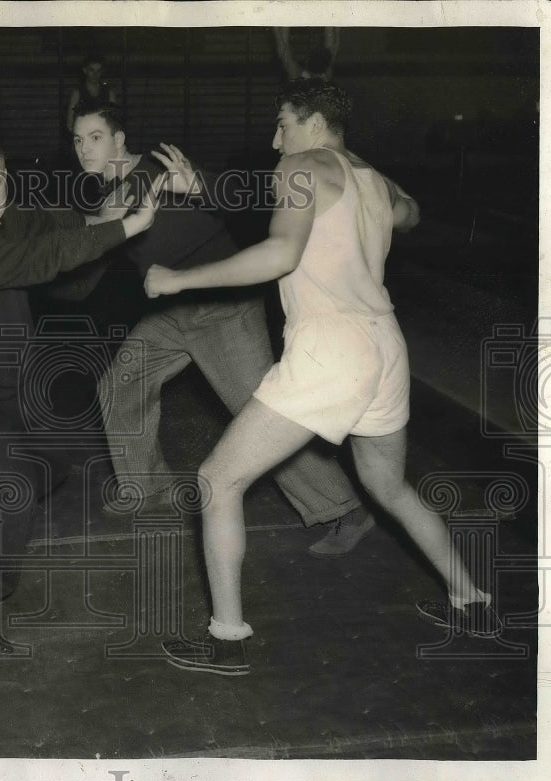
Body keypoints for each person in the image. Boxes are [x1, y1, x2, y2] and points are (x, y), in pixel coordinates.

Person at [144, 79, 501, 676]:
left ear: (311, 122)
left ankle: (227, 638)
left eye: (282, 122)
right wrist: (202, 184)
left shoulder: (303, 165)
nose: (274, 137)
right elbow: (410, 214)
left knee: (217, 478)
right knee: (389, 488)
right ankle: (474, 602)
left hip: (331, 348)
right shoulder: (372, 180)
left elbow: (281, 251)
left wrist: (178, 281)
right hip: (386, 347)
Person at [71, 99, 374, 557]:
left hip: (224, 312)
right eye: (77, 140)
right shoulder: (111, 194)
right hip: (172, 313)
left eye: (95, 137)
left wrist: (198, 186)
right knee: (120, 383)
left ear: (119, 139)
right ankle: (148, 489)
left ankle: (343, 507)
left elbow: (239, 198)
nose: (84, 149)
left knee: (262, 418)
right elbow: (94, 244)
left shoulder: (158, 170)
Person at [0, 132, 160, 654]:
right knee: (18, 491)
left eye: (0, 179)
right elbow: (46, 256)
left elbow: (51, 223)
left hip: (14, 375)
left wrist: (103, 218)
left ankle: (3, 500)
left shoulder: (3, 215)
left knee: (50, 468)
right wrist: (126, 227)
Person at [66, 53, 119, 135]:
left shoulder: (109, 93)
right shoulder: (77, 94)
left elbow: (115, 121)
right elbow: (70, 124)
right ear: (85, 70)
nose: (95, 74)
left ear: (102, 72)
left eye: (98, 70)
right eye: (92, 70)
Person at [273, 27, 339, 81]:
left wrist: (276, 28)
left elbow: (283, 49)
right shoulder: (326, 75)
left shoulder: (296, 75)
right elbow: (332, 47)